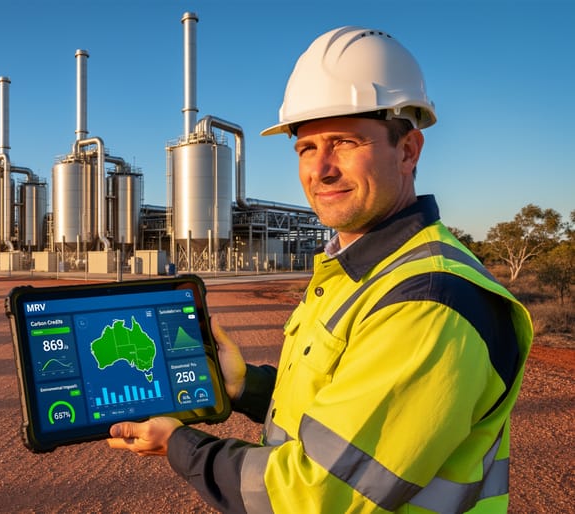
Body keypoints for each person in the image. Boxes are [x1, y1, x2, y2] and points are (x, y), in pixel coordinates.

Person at [108, 26, 533, 513]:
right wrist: (245, 387)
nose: (321, 169)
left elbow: (312, 496)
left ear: (409, 150)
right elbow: (330, 411)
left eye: (345, 142)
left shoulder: (430, 301)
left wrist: (178, 443)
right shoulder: (357, 272)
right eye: (306, 148)